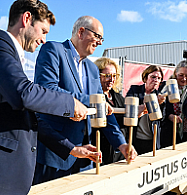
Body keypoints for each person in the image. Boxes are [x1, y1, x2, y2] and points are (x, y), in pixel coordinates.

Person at [0, 0, 88, 194]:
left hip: (6, 178)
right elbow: (23, 94)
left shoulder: (13, 60)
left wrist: (70, 148)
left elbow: (32, 120)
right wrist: (70, 102)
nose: (43, 40)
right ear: (26, 19)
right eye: (43, 31)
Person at [33, 16, 137, 184]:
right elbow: (47, 89)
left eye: (102, 38)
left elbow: (102, 108)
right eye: (97, 36)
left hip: (86, 156)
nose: (100, 42)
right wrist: (93, 101)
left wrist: (121, 144)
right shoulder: (53, 50)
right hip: (56, 154)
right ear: (81, 32)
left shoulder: (92, 68)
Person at [93, 57, 127, 165]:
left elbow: (121, 122)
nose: (111, 79)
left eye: (114, 76)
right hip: (100, 153)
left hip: (119, 154)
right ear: (97, 76)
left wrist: (136, 113)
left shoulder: (119, 97)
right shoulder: (92, 98)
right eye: (107, 76)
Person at [126, 65, 166, 155]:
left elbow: (162, 120)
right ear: (145, 78)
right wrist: (150, 104)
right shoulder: (135, 90)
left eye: (159, 78)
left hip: (152, 140)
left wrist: (161, 105)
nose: (156, 80)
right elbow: (129, 110)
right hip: (135, 139)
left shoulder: (159, 97)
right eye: (153, 77)